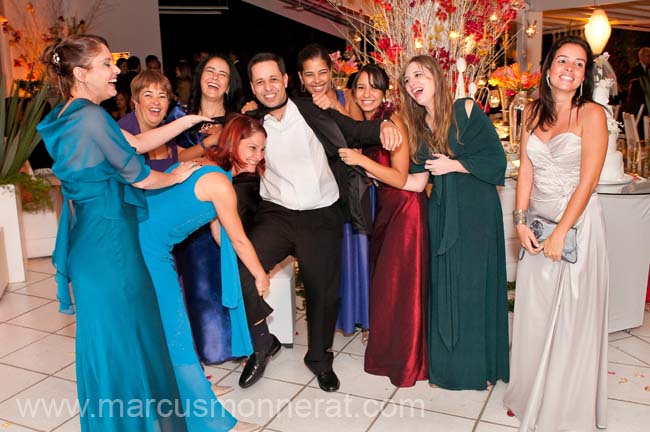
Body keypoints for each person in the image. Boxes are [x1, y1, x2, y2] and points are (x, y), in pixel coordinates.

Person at [35, 34, 207, 431]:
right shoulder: (92, 117)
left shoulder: (70, 114)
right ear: (81, 73)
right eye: (106, 65)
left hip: (92, 243)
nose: (117, 71)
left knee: (113, 343)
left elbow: (134, 142)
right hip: (111, 246)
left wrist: (186, 121)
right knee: (130, 338)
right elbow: (141, 177)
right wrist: (176, 174)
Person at [237, 52, 402, 392]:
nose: (268, 88)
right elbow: (221, 148)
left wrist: (384, 125)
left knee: (322, 293)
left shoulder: (310, 111)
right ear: (252, 88)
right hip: (276, 213)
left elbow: (354, 130)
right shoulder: (250, 122)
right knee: (240, 267)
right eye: (259, 82)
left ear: (285, 81)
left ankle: (319, 358)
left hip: (321, 212)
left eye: (273, 79)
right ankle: (262, 342)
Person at [503, 35, 609, 431]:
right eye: (562, 61)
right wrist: (518, 219)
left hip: (576, 223)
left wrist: (562, 231)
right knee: (535, 312)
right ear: (548, 70)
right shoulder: (532, 111)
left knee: (570, 316)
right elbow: (526, 170)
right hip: (536, 222)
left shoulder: (592, 115)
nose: (569, 68)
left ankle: (564, 404)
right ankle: (531, 391)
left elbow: (589, 180)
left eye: (578, 63)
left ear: (584, 75)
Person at [139, 113, 269, 432]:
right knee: (177, 335)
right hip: (148, 254)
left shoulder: (209, 168)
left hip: (145, 245)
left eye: (263, 149)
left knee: (169, 332)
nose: (258, 156)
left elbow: (217, 231)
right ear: (232, 144)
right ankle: (212, 422)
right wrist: (260, 274)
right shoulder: (220, 183)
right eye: (251, 148)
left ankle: (190, 392)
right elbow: (236, 238)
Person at [400, 55, 510, 390]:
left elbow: (497, 161)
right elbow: (417, 182)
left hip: (476, 211)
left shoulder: (465, 110)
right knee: (445, 288)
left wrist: (454, 165)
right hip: (442, 212)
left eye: (418, 74)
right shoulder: (418, 127)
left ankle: (479, 369)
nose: (412, 83)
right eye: (406, 80)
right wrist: (368, 168)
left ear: (436, 76)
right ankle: (449, 369)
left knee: (472, 289)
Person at [338, 64, 428, 387]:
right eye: (360, 88)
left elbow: (400, 177)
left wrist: (360, 160)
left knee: (400, 285)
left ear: (385, 92)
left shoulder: (393, 122)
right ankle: (391, 347)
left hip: (405, 210)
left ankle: (405, 359)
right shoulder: (366, 122)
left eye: (373, 88)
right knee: (387, 283)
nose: (366, 94)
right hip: (385, 209)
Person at [169, 53, 250, 365]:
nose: (215, 77)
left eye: (223, 74)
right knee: (197, 280)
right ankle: (207, 346)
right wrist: (208, 145)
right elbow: (174, 159)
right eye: (210, 71)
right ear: (199, 77)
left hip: (229, 206)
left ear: (229, 85)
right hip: (190, 214)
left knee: (230, 274)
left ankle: (240, 343)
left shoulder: (236, 120)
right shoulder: (178, 117)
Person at [296, 43, 369, 336]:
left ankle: (363, 317)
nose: (316, 80)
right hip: (318, 190)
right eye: (309, 74)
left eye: (322, 72)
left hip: (349, 182)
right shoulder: (297, 107)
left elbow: (358, 132)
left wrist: (335, 106)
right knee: (330, 256)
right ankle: (338, 317)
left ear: (331, 72)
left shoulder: (345, 96)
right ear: (300, 78)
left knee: (357, 251)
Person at [118, 70, 182, 171]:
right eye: (148, 95)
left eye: (162, 96)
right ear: (135, 100)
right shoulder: (123, 131)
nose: (156, 102)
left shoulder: (168, 132)